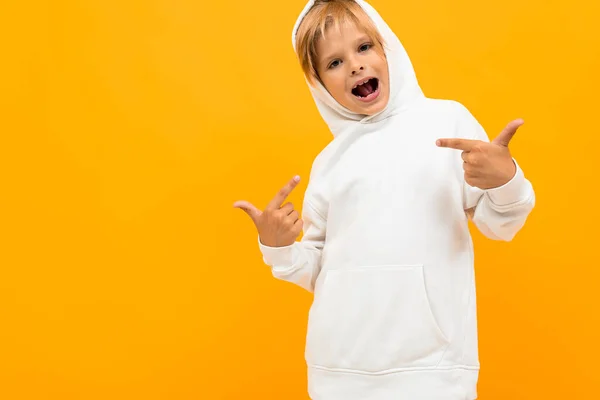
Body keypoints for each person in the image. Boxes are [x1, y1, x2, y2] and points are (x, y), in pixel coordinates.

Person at [233, 0, 536, 399]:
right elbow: (321, 268)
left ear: (388, 47)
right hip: (338, 370)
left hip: (433, 367)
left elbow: (501, 224)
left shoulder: (446, 122)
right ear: (320, 86)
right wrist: (279, 250)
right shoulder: (329, 162)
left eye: (363, 47)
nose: (355, 66)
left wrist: (505, 181)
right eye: (334, 63)